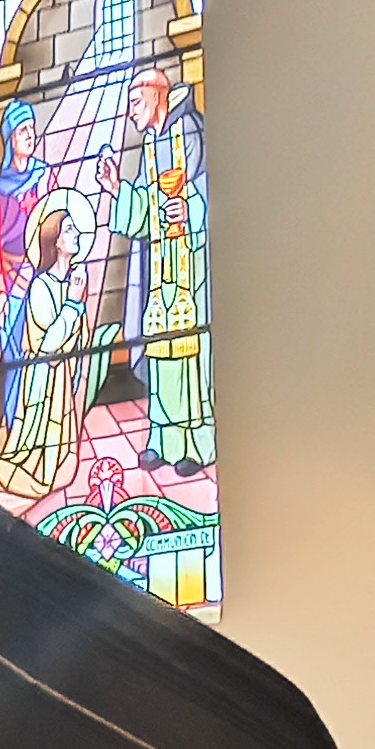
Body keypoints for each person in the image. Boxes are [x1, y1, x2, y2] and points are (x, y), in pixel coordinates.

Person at [103, 69, 212, 472]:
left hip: (192, 267)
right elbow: (146, 212)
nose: (130, 112)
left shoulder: (193, 130)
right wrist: (118, 190)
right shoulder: (151, 145)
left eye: (135, 102)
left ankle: (196, 444)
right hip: (160, 269)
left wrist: (192, 207)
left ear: (157, 95)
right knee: (161, 352)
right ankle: (163, 439)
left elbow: (218, 185)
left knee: (191, 357)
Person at [0, 201, 110, 513]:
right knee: (38, 467)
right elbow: (47, 345)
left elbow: (79, 340)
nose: (77, 234)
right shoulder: (41, 287)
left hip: (61, 382)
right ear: (54, 242)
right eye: (69, 230)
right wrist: (73, 305)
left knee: (60, 466)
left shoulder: (71, 283)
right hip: (42, 382)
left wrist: (78, 304)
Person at [0, 96, 42, 446]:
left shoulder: (45, 177)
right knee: (15, 354)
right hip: (13, 284)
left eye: (32, 128)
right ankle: (16, 429)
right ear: (10, 139)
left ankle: (42, 426)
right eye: (22, 130)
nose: (30, 135)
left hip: (42, 279)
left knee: (44, 351)